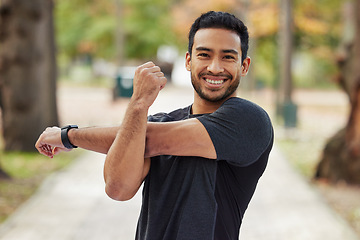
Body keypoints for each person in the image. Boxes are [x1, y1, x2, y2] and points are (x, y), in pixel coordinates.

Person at [35, 11, 273, 240]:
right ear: (188, 61)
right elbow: (118, 188)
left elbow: (150, 139)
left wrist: (68, 136)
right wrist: (139, 103)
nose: (214, 67)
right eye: (204, 55)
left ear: (244, 65)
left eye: (228, 57)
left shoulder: (249, 120)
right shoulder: (158, 123)